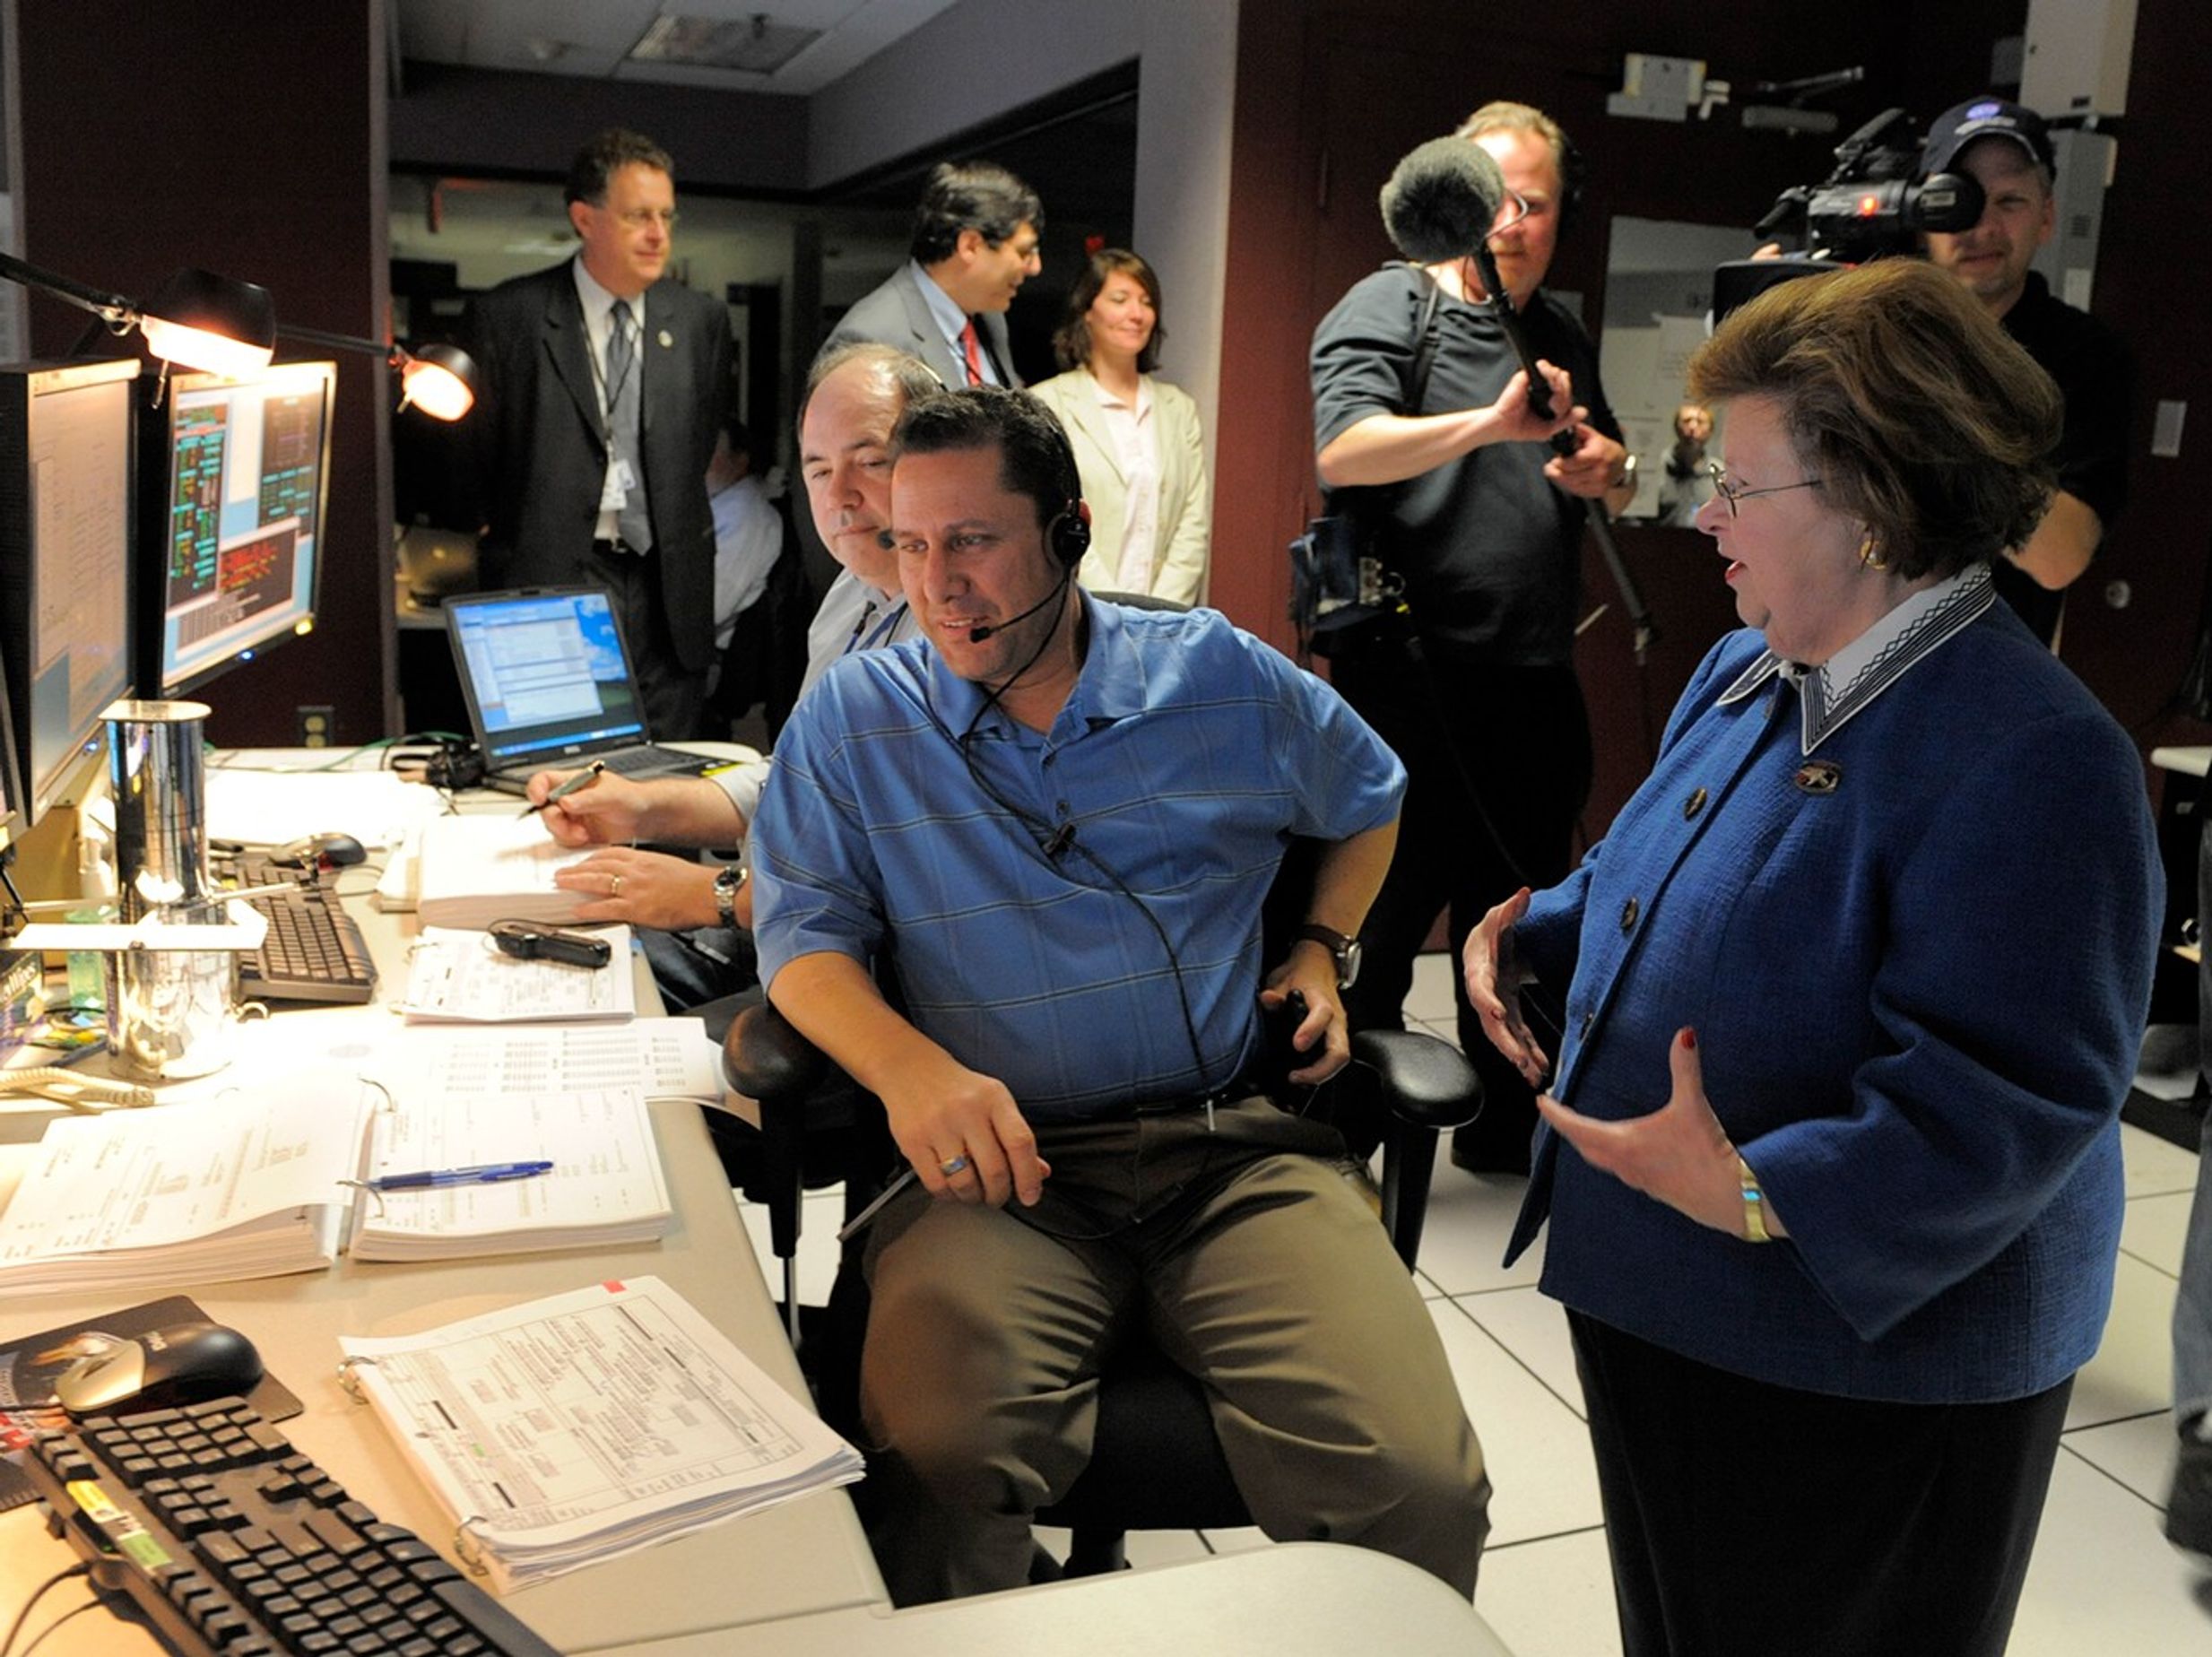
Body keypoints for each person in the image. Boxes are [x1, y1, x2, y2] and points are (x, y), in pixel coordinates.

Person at [1463, 258, 2159, 1656]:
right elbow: (1657, 865)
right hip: (1670, 1300)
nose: (1702, 515)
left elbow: (2017, 1097)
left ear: (1872, 500)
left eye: (1737, 483)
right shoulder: (1752, 664)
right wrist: (1532, 932)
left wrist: (1758, 1193)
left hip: (1862, 1373)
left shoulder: (2034, 753)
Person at [748, 386, 1488, 1607]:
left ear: (1069, 534)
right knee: (936, 1454)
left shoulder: (1217, 678)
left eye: (973, 541)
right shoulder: (854, 716)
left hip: (1227, 1152)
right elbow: (801, 936)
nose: (937, 585)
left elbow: (1370, 794)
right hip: (1000, 1169)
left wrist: (1319, 946)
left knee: (1417, 1481)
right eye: (909, 545)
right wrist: (907, 1070)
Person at [1310, 99, 1632, 1174]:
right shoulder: (1390, 302)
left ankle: (1506, 1133)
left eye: (1532, 202)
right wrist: (1491, 423)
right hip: (1403, 685)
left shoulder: (1559, 331)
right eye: (1490, 197)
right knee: (1379, 927)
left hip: (1530, 685)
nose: (1509, 221)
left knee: (1526, 927)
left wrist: (1609, 474)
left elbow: (1611, 474)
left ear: (1557, 217)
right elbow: (1346, 451)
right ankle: (1345, 1138)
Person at [523, 345, 938, 1014]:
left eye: (870, 461)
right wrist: (640, 806)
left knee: (598, 1006)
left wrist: (713, 893)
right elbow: (792, 778)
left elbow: (903, 871)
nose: (839, 497)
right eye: (819, 469)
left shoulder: (958, 634)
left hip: (866, 974)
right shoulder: (851, 597)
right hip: (772, 916)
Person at [463, 128, 733, 738]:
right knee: (560, 772)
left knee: (666, 786)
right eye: (638, 216)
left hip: (667, 586)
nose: (658, 234)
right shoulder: (510, 317)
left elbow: (698, 439)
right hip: (552, 569)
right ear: (585, 218)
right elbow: (476, 455)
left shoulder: (699, 322)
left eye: (666, 215)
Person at [1921, 96, 2132, 647]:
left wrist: (1923, 415)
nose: (1983, 226)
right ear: (1925, 215)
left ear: (2047, 217)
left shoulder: (2087, 357)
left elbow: (2062, 555)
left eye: (2009, 200)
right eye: (1960, 201)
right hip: (1832, 661)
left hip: (1980, 674)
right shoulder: (1880, 329)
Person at [1029, 248, 1211, 603]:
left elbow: (1192, 522)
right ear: (1087, 312)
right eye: (1120, 299)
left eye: (1146, 302)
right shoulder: (1050, 403)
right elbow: (1055, 513)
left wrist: (1159, 611)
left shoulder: (1179, 409)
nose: (1137, 314)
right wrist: (1110, 607)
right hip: (1079, 606)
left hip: (1164, 617)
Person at [824, 160, 1041, 389]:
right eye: (1024, 252)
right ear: (970, 245)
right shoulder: (869, 340)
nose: (1035, 267)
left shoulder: (991, 319)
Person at [1652, 401, 1714, 526]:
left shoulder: (1720, 474)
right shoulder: (1656, 469)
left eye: (1700, 421)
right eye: (1686, 421)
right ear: (1676, 427)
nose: (1692, 426)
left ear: (1710, 430)